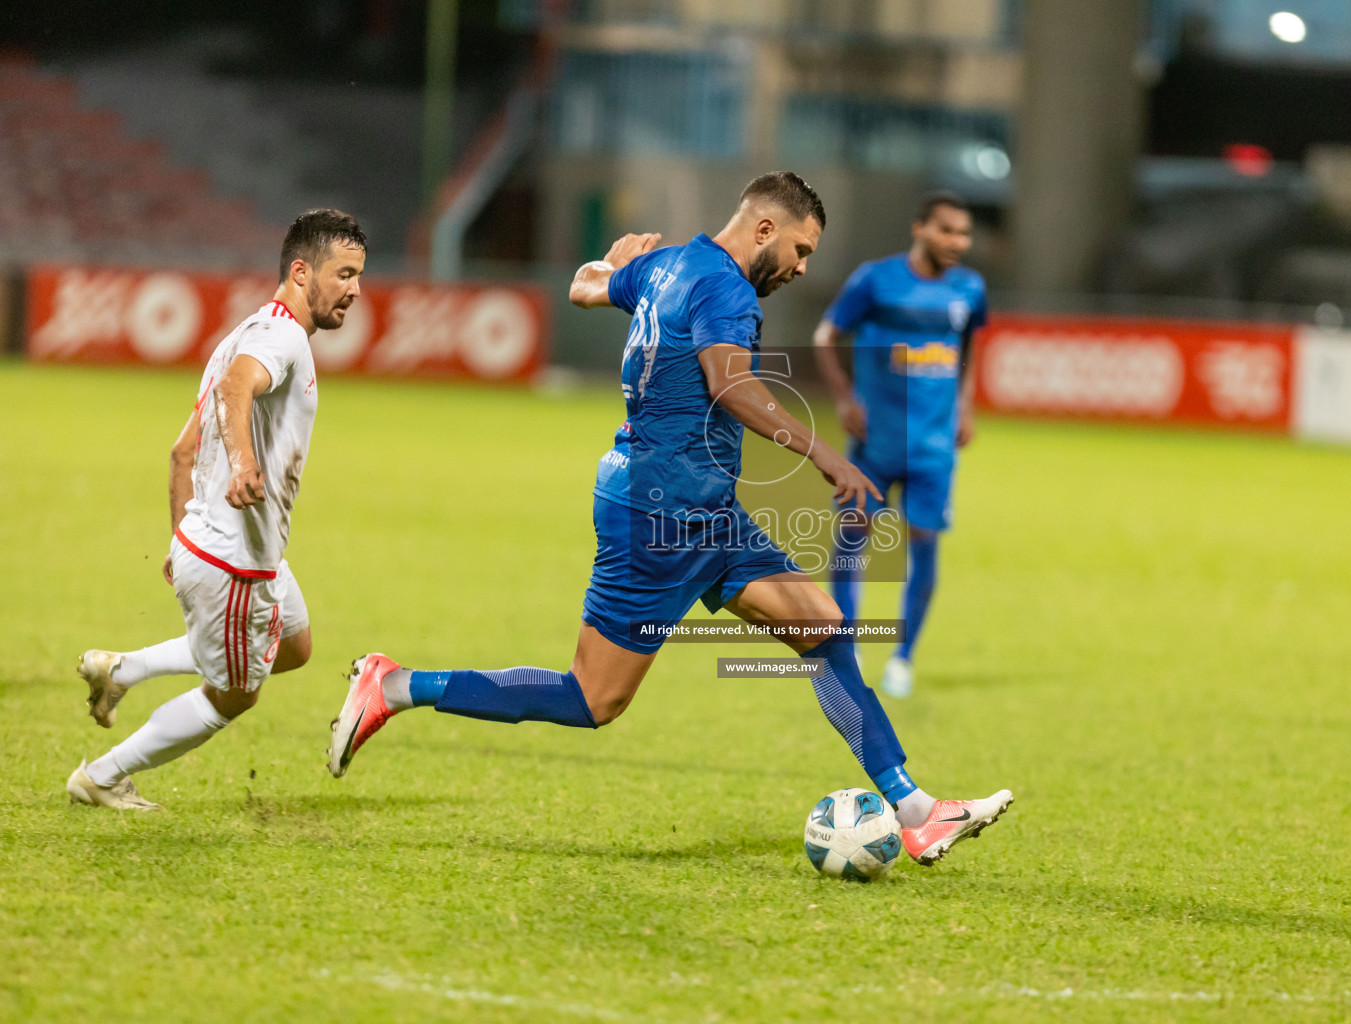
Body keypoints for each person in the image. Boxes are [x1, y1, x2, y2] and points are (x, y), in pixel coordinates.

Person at [326, 172, 1010, 865]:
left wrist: (613, 265)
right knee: (592, 698)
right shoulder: (726, 288)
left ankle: (916, 813)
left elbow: (584, 289)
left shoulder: (668, 263)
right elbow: (731, 383)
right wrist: (828, 458)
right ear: (765, 229)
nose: (803, 268)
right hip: (656, 516)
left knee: (825, 630)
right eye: (801, 250)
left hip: (705, 510)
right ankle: (394, 685)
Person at [67, 209, 367, 811]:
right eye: (344, 274)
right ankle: (100, 776)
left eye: (359, 276)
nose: (355, 289)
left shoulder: (243, 333)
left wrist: (180, 545)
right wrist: (244, 465)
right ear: (301, 271)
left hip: (225, 547)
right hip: (236, 561)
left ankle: (121, 668)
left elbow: (182, 452)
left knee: (293, 644)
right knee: (233, 694)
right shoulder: (279, 339)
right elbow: (236, 391)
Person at [812, 193, 987, 699]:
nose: (958, 242)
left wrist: (966, 405)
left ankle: (903, 658)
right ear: (920, 229)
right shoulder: (875, 279)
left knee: (925, 542)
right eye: (947, 231)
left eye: (964, 233)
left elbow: (972, 344)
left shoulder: (969, 288)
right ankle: (848, 647)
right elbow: (826, 336)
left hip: (934, 445)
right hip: (876, 439)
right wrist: (845, 400)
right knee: (852, 538)